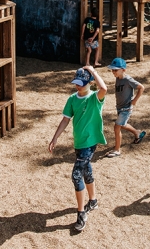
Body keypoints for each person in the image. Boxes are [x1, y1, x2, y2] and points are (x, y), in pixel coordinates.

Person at [49, 66, 107, 231]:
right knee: (86, 170)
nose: (78, 86)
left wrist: (93, 71)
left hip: (90, 143)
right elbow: (65, 120)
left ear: (89, 82)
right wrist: (55, 138)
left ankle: (81, 213)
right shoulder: (72, 99)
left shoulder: (95, 98)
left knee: (76, 176)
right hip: (79, 143)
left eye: (81, 83)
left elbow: (104, 88)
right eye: (76, 83)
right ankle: (93, 200)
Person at [105, 58, 146, 158]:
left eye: (115, 70)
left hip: (126, 108)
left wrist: (134, 101)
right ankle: (137, 133)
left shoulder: (128, 79)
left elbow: (141, 87)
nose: (113, 72)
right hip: (119, 107)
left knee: (117, 127)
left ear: (123, 70)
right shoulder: (118, 78)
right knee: (122, 125)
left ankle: (117, 150)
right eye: (112, 70)